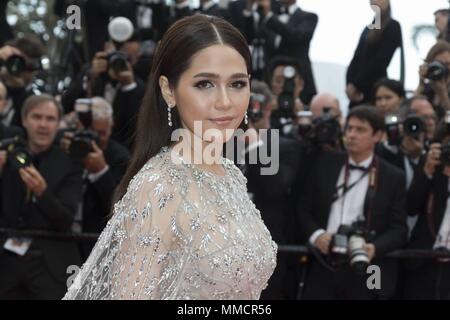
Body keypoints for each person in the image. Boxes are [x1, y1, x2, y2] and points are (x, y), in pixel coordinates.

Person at [64, 14, 277, 300]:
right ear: (169, 90)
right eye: (205, 84)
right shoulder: (158, 186)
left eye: (237, 84)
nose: (225, 101)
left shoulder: (231, 174)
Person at [297, 106, 408, 299]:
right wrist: (316, 235)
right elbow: (302, 208)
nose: (352, 135)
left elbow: (399, 229)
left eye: (360, 130)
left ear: (377, 135)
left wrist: (374, 248)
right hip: (323, 263)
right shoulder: (324, 163)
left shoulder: (393, 177)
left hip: (365, 269)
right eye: (349, 128)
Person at [0, 94, 83, 299]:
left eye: (50, 119)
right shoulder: (6, 155)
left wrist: (42, 192)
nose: (43, 125)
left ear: (58, 124)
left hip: (50, 262)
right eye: (37, 117)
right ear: (24, 120)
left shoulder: (70, 164)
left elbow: (65, 220)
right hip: (6, 259)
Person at [346, 0, 402, 108]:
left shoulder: (392, 26)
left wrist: (356, 84)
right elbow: (356, 58)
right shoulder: (368, 29)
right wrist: (349, 84)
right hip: (358, 92)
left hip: (374, 90)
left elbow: (381, 61)